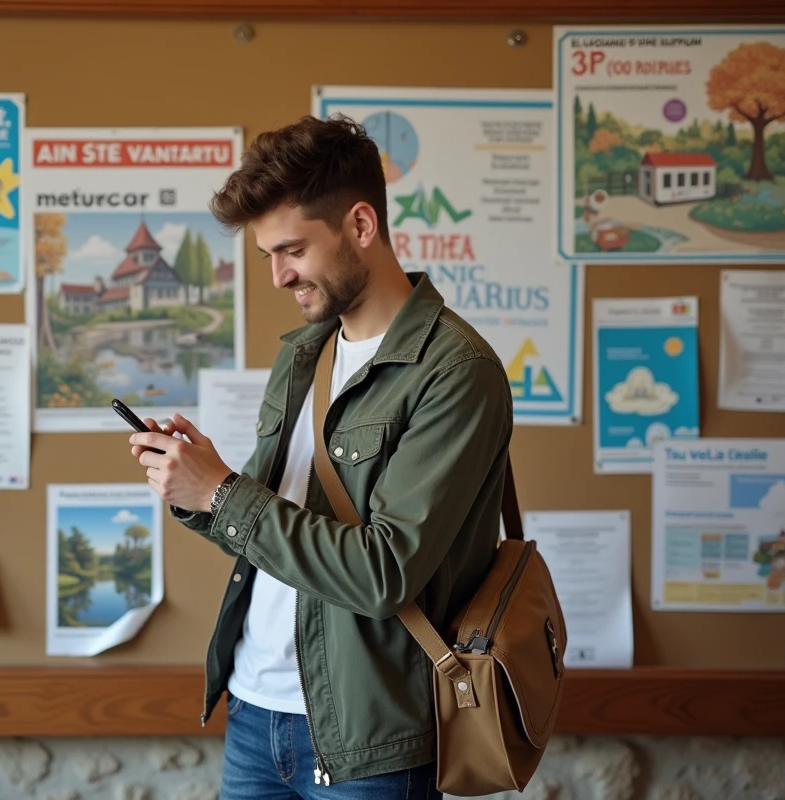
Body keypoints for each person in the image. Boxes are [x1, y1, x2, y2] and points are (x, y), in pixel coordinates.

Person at [127, 114, 513, 799]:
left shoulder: (456, 371)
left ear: (361, 226)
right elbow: (278, 534)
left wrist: (222, 494)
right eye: (268, 255)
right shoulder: (303, 354)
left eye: (293, 250)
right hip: (252, 711)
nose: (277, 276)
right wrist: (198, 487)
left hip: (370, 739)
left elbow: (384, 572)